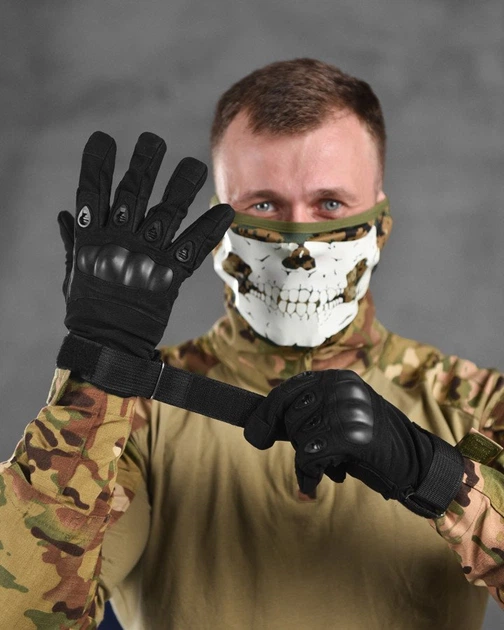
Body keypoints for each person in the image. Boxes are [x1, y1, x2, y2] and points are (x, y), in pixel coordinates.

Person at [1, 59, 503, 629]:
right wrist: (98, 371)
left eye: (330, 205)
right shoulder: (138, 410)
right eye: (263, 205)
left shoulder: (476, 404)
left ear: (380, 225)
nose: (297, 245)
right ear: (216, 234)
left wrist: (433, 471)